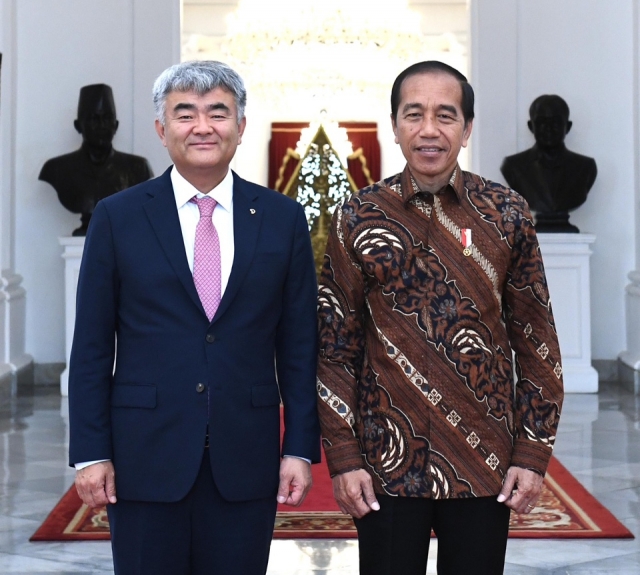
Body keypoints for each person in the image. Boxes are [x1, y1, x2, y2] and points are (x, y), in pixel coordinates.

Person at [68, 61, 320, 575]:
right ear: (162, 130)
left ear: (241, 127)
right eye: (185, 114)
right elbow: (91, 345)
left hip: (246, 455)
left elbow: (298, 346)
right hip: (143, 455)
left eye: (218, 113)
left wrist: (298, 446)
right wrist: (90, 452)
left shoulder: (281, 218)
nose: (202, 126)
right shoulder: (117, 217)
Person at [317, 61, 564, 575]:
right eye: (415, 114)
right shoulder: (358, 216)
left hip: (484, 459)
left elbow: (536, 341)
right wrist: (343, 456)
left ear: (467, 127)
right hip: (387, 459)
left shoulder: (507, 213)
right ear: (395, 124)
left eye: (445, 115)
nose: (429, 130)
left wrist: (532, 453)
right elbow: (334, 345)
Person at [39, 83, 153, 235]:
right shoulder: (56, 169)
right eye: (93, 118)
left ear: (116, 125)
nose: (101, 125)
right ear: (78, 126)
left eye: (107, 118)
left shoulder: (138, 168)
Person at [501, 94, 597, 232]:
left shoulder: (585, 168)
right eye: (541, 122)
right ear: (531, 126)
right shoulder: (513, 166)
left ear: (568, 127)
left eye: (556, 122)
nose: (548, 128)